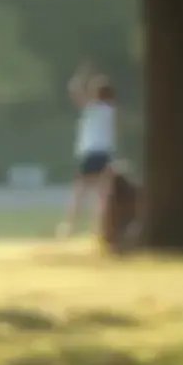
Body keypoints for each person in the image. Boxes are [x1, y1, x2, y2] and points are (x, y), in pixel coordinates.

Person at [60, 63, 118, 238]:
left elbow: (74, 88)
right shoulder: (110, 110)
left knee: (80, 191)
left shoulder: (93, 109)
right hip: (106, 154)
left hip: (91, 154)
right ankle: (98, 229)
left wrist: (82, 73)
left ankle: (69, 226)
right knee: (102, 195)